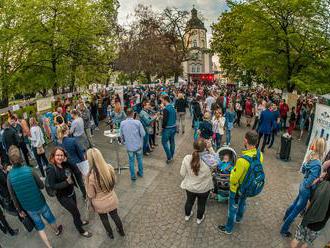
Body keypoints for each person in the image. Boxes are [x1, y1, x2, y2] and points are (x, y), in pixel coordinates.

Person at [7, 146, 62, 248]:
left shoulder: (9, 177)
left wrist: (19, 210)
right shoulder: (29, 170)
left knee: (40, 227)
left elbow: (13, 196)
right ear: (21, 158)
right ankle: (57, 230)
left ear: (10, 161)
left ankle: (49, 247)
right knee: (50, 218)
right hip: (40, 201)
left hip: (28, 207)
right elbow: (41, 186)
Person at [218, 131, 263, 234]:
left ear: (246, 141)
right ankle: (239, 218)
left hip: (237, 189)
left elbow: (233, 179)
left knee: (232, 208)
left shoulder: (242, 160)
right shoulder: (260, 155)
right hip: (249, 186)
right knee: (243, 202)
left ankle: (228, 228)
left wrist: (233, 170)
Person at [281, 138, 326, 237]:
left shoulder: (311, 155)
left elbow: (304, 168)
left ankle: (285, 217)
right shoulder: (318, 163)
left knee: (295, 204)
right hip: (306, 188)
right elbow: (311, 181)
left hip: (302, 185)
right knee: (297, 209)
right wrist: (319, 179)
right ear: (322, 148)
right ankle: (284, 230)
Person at [47, 147, 92, 238]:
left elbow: (76, 169)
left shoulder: (65, 164)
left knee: (76, 210)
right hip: (63, 197)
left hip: (71, 192)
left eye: (61, 155)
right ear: (53, 156)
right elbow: (52, 185)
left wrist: (68, 160)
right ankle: (81, 231)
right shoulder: (51, 169)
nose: (59, 157)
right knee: (76, 213)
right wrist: (66, 183)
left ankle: (79, 222)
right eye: (57, 155)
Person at [86, 148, 125, 239]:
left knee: (104, 219)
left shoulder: (91, 176)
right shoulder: (109, 167)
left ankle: (110, 234)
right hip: (111, 198)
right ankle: (121, 231)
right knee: (115, 216)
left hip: (100, 203)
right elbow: (114, 181)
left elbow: (91, 194)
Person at [291, 162, 330, 248]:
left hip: (307, 219)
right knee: (307, 243)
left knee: (297, 238)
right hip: (319, 223)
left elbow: (311, 199)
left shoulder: (321, 184)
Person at [180, 139, 213, 225]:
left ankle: (187, 215)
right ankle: (199, 219)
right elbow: (218, 163)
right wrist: (211, 148)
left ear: (194, 147)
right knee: (201, 204)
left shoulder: (187, 158)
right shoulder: (209, 160)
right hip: (204, 188)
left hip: (190, 187)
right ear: (205, 148)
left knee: (189, 201)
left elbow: (182, 173)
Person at [57, 125, 87, 199]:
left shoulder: (59, 143)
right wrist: (84, 165)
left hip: (67, 166)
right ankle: (85, 195)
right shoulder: (72, 140)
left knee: (71, 181)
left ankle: (73, 195)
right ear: (67, 131)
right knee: (80, 182)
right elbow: (80, 154)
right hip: (76, 164)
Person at [120, 108, 145, 180]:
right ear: (133, 114)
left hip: (129, 146)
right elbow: (143, 134)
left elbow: (121, 135)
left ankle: (133, 176)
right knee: (139, 159)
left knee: (131, 160)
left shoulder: (122, 123)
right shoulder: (138, 122)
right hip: (138, 145)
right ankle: (140, 172)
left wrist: (123, 142)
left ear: (126, 114)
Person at [161, 95, 177, 164]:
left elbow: (165, 121)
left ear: (165, 100)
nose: (162, 102)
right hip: (174, 127)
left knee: (164, 142)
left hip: (168, 129)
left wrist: (162, 127)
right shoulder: (172, 107)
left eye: (162, 100)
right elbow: (175, 117)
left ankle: (169, 157)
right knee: (172, 142)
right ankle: (172, 156)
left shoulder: (166, 109)